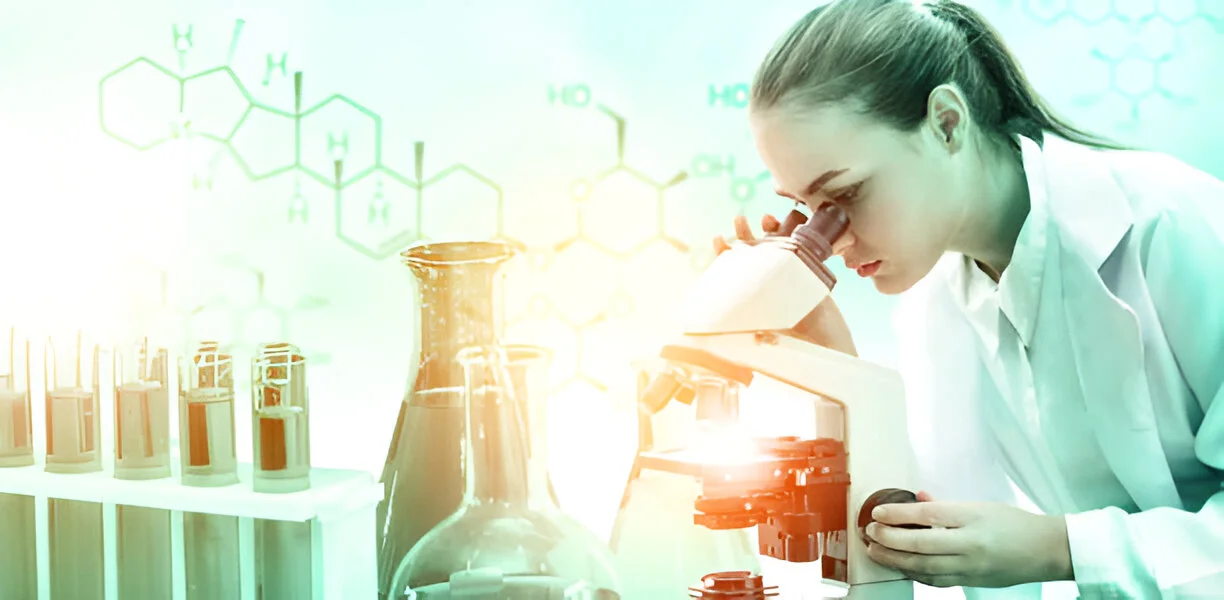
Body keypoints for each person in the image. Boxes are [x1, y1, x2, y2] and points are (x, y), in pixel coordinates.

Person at [715, 0, 1224, 598]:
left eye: (846, 193)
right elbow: (939, 529)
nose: (833, 237)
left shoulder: (1177, 226)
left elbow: (1029, 549)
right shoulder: (938, 296)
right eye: (809, 209)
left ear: (947, 122)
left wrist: (1059, 547)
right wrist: (833, 363)